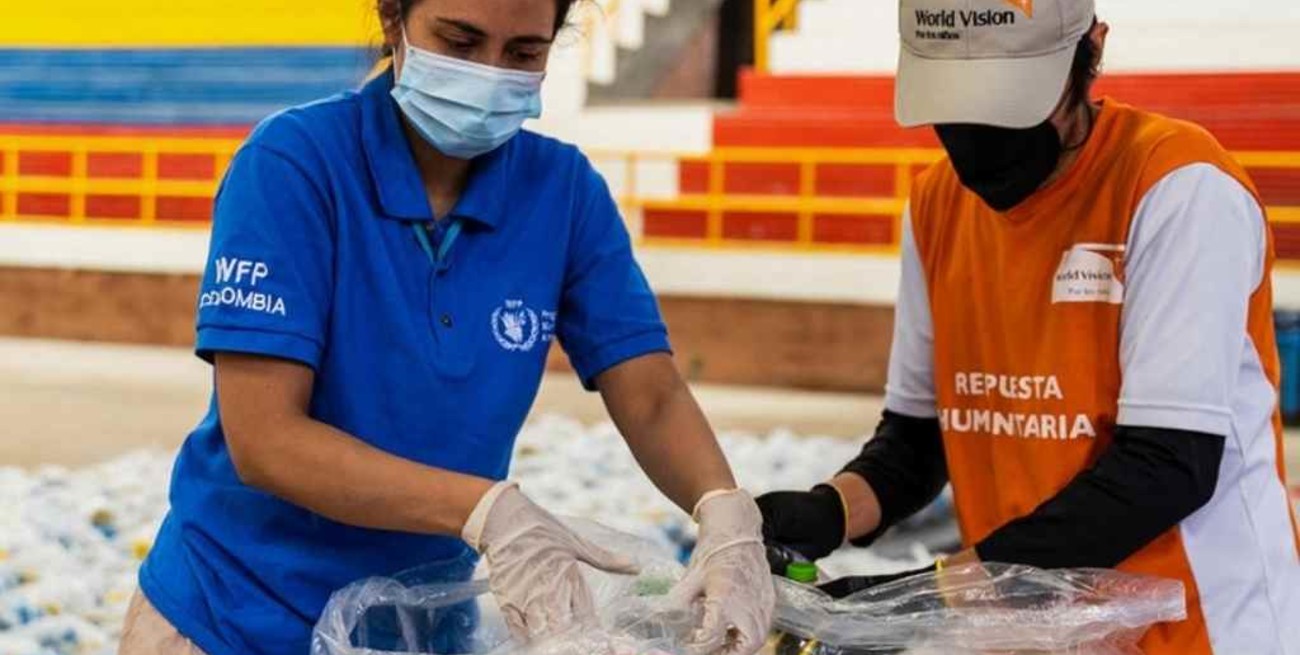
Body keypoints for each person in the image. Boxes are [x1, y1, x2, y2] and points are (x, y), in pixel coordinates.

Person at [118, 1, 774, 654]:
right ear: (392, 18)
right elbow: (265, 439)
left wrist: (723, 509)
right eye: (459, 42)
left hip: (412, 627)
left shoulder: (563, 193)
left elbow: (651, 393)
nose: (488, 75)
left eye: (522, 54)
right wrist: (487, 510)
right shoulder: (294, 166)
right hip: (232, 619)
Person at [758, 0, 1300, 653]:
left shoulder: (1177, 189)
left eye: (1007, 104)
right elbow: (919, 442)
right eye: (955, 108)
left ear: (1090, 55)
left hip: (1197, 633)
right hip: (1026, 631)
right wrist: (831, 509)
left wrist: (921, 597)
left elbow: (1164, 467)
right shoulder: (938, 205)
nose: (978, 136)